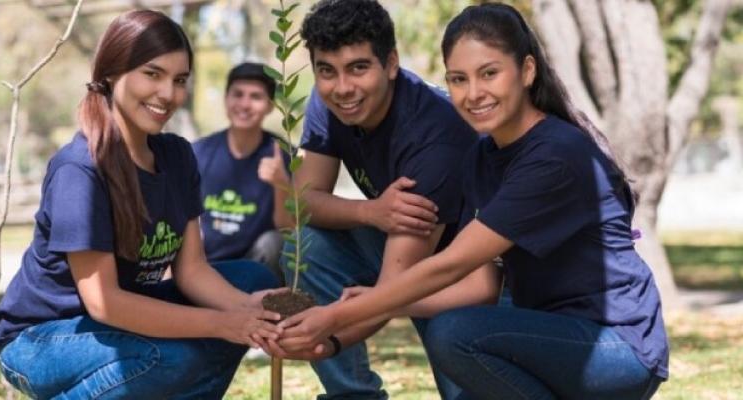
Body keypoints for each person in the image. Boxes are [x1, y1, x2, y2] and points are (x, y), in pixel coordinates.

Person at [274, 3, 669, 399]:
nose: (473, 93)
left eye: (489, 74)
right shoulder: (484, 156)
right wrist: (345, 333)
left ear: (527, 71)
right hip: (544, 330)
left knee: (457, 334)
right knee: (458, 334)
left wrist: (340, 315)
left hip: (617, 347)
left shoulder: (554, 155)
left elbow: (452, 263)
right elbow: (480, 286)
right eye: (459, 79)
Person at [0, 10, 283, 399]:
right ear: (111, 73)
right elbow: (105, 303)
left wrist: (246, 312)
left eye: (179, 80)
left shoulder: (177, 156)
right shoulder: (81, 168)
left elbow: (191, 270)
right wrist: (223, 323)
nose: (168, 94)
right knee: (169, 357)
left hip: (117, 320)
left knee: (252, 281)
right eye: (152, 74)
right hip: (43, 338)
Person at [271, 1, 501, 399]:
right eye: (326, 70)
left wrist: (327, 337)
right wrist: (369, 211)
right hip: (407, 245)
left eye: (358, 67)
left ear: (391, 63)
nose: (342, 87)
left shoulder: (434, 134)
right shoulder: (331, 104)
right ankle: (353, 395)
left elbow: (395, 288)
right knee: (306, 245)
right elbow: (302, 204)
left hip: (471, 273)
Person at [193, 62, 290, 283]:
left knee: (275, 241)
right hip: (202, 268)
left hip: (252, 268)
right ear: (226, 99)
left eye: (255, 96)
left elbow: (287, 230)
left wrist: (281, 183)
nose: (245, 104)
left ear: (270, 105)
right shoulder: (198, 153)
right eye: (238, 94)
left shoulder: (283, 155)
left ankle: (267, 312)